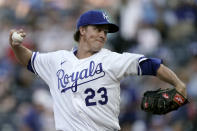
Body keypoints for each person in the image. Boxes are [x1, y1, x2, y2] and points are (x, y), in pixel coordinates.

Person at [9, 10, 187, 131]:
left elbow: (152, 65)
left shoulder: (112, 59)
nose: (103, 34)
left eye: (105, 31)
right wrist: (16, 45)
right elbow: (29, 59)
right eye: (98, 29)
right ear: (83, 30)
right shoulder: (57, 60)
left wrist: (178, 84)